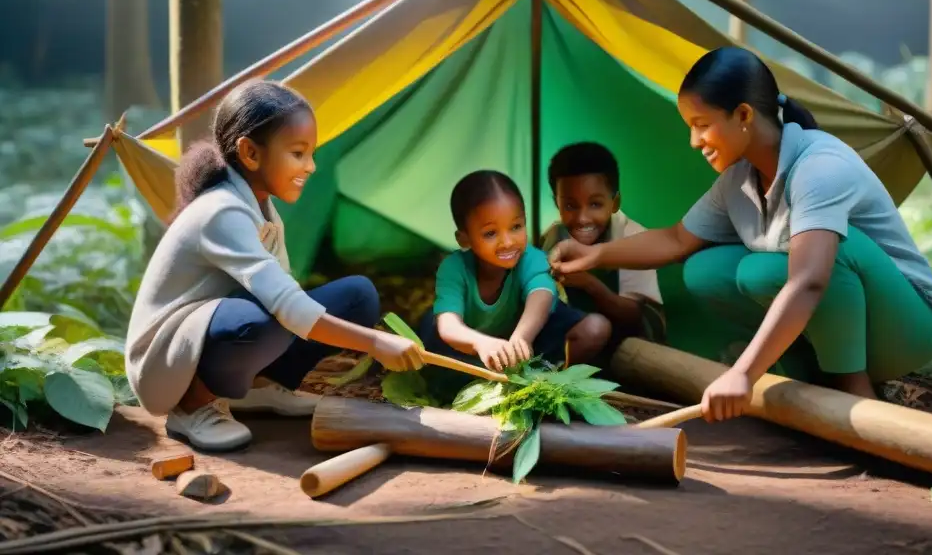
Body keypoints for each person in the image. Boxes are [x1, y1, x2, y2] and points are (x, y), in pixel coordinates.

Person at [548, 47, 932, 423]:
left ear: (743, 115)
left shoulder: (819, 167)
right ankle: (803, 371)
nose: (694, 141)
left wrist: (742, 374)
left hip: (906, 327)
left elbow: (810, 282)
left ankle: (854, 389)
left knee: (810, 260)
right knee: (707, 268)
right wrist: (595, 257)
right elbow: (675, 241)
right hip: (842, 323)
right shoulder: (738, 180)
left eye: (701, 126)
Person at [125, 80, 424, 452]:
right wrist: (375, 342)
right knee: (265, 321)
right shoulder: (222, 211)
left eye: (311, 154)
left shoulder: (262, 208)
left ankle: (258, 387)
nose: (311, 166)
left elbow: (286, 290)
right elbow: (288, 307)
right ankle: (194, 406)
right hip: (165, 363)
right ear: (250, 153)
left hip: (214, 330)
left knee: (357, 295)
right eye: (298, 153)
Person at [419, 170, 611, 373]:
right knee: (432, 347)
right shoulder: (453, 268)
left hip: (525, 344)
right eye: (490, 233)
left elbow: (541, 295)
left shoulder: (532, 258)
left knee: (595, 328)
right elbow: (449, 326)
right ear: (464, 238)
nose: (508, 242)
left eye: (516, 226)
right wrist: (482, 344)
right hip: (469, 349)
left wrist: (521, 338)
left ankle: (549, 376)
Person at [540, 141, 665, 346]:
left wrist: (588, 283)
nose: (583, 218)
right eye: (570, 205)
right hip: (583, 334)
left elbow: (633, 316)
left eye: (595, 204)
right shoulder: (555, 235)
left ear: (614, 203)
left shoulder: (633, 239)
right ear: (557, 203)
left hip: (632, 339)